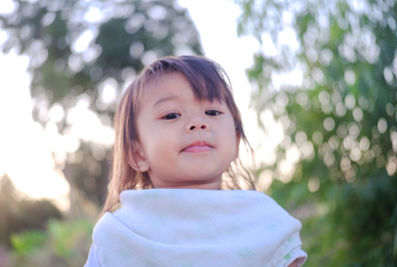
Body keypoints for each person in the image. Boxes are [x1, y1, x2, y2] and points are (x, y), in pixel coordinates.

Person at [85, 55, 307, 267]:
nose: (198, 123)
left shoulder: (266, 223)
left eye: (212, 111)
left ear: (236, 142)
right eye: (171, 115)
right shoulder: (119, 234)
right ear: (138, 154)